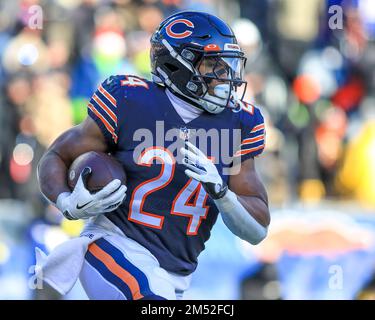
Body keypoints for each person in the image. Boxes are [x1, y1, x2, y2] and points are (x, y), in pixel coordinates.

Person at [37, 11, 270, 300]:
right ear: (175, 64)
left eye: (227, 65)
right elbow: (57, 155)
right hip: (113, 243)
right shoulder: (129, 101)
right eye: (213, 64)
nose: (224, 76)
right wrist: (66, 202)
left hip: (176, 272)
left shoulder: (239, 122)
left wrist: (223, 194)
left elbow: (258, 230)